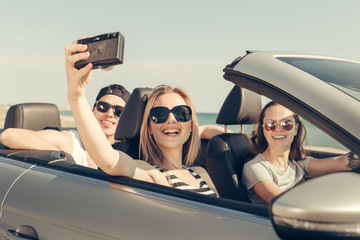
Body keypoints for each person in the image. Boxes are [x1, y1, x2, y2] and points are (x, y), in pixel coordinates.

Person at [66, 40, 218, 196]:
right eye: (159, 114)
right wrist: (76, 96)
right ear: (149, 128)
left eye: (182, 113)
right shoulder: (151, 174)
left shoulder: (201, 173)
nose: (172, 119)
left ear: (191, 125)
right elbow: (109, 160)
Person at [241, 101, 360, 205]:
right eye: (271, 124)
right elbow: (284, 203)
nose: (278, 129)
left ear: (296, 128)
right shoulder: (255, 168)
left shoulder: (299, 163)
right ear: (264, 130)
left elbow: (343, 162)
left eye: (286, 124)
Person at [0, 83, 130, 169]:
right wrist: (63, 156)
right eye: (103, 107)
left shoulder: (129, 150)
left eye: (119, 111)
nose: (109, 114)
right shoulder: (72, 141)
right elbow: (9, 135)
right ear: (92, 111)